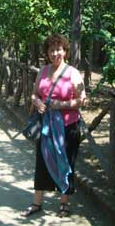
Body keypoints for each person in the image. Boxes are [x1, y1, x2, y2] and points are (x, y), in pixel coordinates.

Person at [21, 34, 87, 218]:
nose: (55, 53)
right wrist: (37, 103)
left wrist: (61, 105)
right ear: (47, 53)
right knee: (41, 162)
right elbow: (34, 94)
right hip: (46, 126)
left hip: (68, 127)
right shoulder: (43, 71)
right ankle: (37, 203)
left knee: (67, 163)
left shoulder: (72, 72)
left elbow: (82, 100)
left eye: (58, 49)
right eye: (51, 50)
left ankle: (64, 203)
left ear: (65, 51)